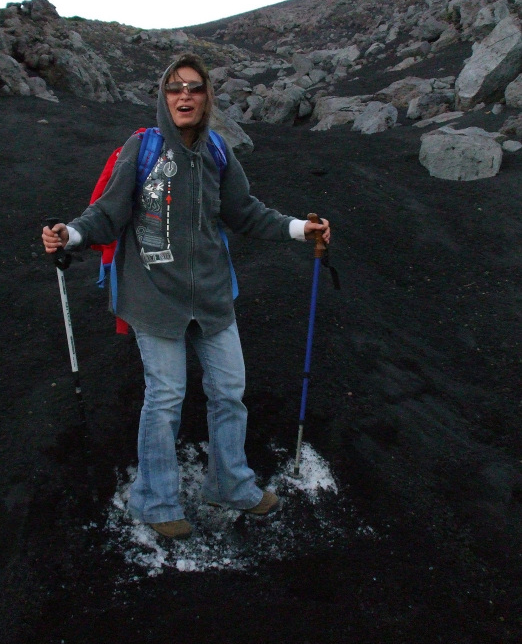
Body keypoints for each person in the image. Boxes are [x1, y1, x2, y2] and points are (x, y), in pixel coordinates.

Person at [42, 53, 330, 539]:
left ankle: (230, 484)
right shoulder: (143, 148)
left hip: (213, 297)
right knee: (166, 397)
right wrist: (69, 235)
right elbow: (107, 213)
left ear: (206, 97)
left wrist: (301, 229)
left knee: (229, 392)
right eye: (175, 87)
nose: (185, 96)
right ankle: (155, 500)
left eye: (194, 88)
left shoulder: (218, 152)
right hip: (154, 298)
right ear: (164, 95)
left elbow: (245, 211)